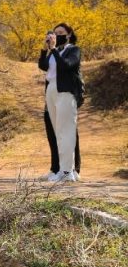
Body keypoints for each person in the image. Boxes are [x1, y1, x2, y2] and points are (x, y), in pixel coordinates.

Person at [38, 23, 81, 183]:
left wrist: (54, 49)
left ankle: (67, 171)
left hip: (65, 91)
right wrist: (45, 49)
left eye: (61, 33)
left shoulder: (73, 50)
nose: (57, 35)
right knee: (57, 132)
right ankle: (61, 169)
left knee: (66, 131)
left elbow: (66, 66)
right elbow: (43, 66)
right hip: (51, 89)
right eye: (55, 33)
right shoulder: (56, 51)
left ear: (69, 34)